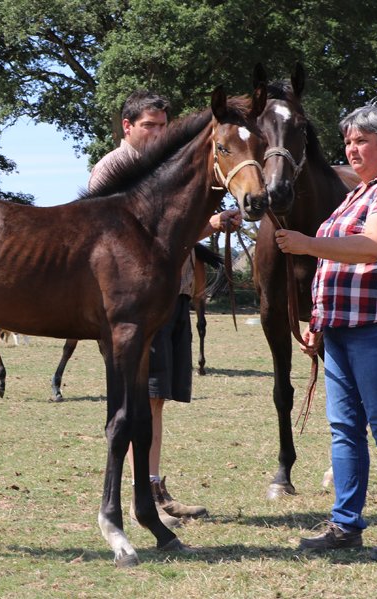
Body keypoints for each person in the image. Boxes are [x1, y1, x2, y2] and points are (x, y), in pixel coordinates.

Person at [273, 101, 377, 558]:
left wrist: (308, 243)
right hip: (341, 327)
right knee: (344, 428)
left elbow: (375, 246)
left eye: (362, 140)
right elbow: (335, 265)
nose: (352, 148)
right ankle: (346, 524)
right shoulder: (356, 196)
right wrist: (319, 321)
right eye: (348, 141)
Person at [90, 90, 242, 527]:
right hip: (133, 298)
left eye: (162, 126)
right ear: (127, 127)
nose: (157, 133)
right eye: (148, 126)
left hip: (172, 291)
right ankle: (145, 492)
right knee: (143, 395)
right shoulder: (114, 167)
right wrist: (208, 225)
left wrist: (209, 224)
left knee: (156, 399)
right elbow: (108, 234)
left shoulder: (171, 169)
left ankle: (152, 484)